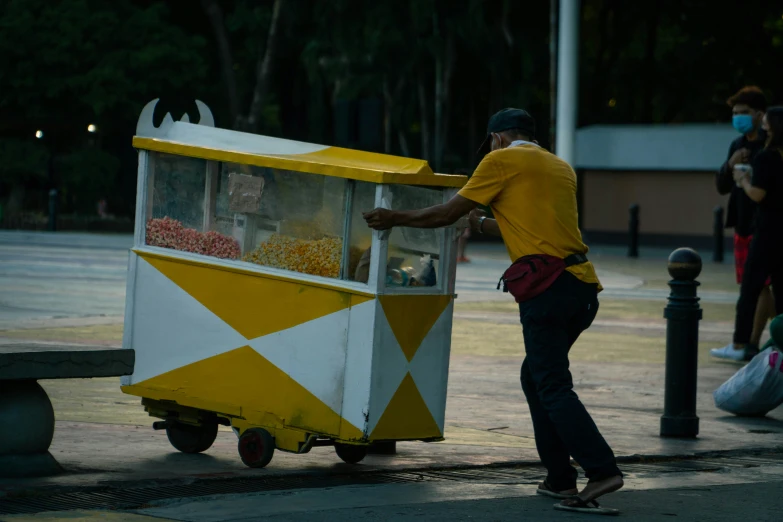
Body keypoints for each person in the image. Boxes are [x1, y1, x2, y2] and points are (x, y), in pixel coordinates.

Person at [364, 108, 623, 515]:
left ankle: (601, 470)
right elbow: (529, 225)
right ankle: (558, 478)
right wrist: (482, 222)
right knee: (535, 377)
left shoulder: (500, 160)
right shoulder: (559, 167)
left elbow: (446, 213)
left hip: (547, 290)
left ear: (498, 138)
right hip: (582, 288)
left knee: (552, 384)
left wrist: (393, 218)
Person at [712, 86, 775, 361]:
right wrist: (730, 164)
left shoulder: (770, 144)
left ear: (759, 114)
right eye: (735, 113)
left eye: (743, 113)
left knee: (761, 284)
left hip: (766, 225)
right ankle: (753, 341)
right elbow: (722, 187)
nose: (738, 118)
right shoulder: (737, 145)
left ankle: (748, 341)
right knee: (754, 286)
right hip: (742, 224)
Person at [728, 107, 783, 358]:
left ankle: (740, 343)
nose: (763, 126)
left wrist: (743, 181)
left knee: (750, 287)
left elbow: (758, 194)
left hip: (766, 231)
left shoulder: (766, 157)